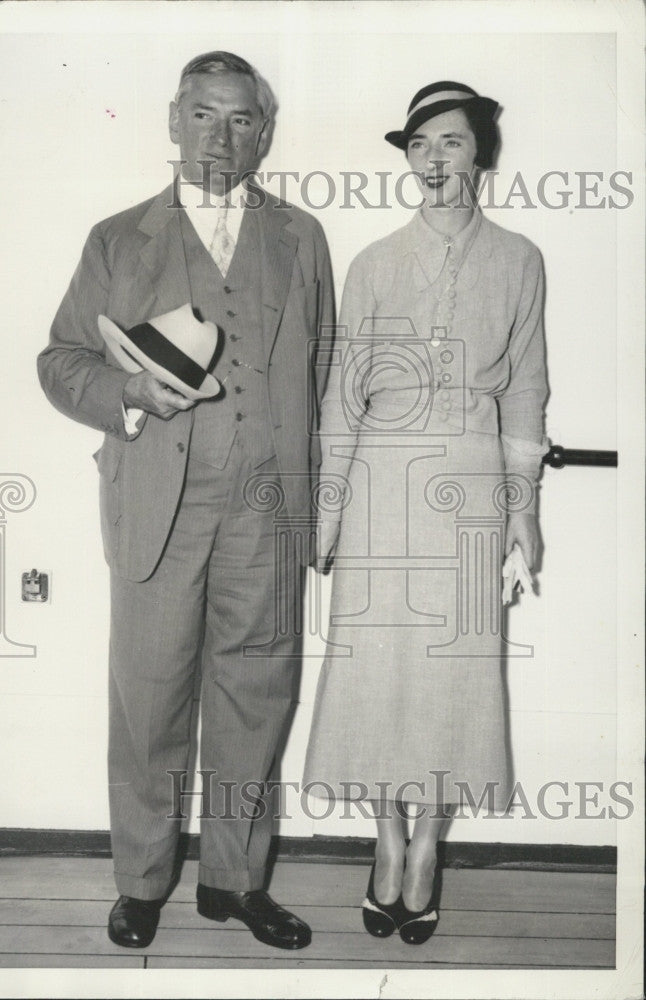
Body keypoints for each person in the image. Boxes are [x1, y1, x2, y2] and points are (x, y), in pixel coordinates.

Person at [38, 51, 334, 951]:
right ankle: (142, 880)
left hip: (267, 508)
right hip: (157, 502)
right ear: (172, 121)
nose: (222, 134)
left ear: (264, 132)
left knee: (258, 694)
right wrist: (129, 395)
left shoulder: (302, 237)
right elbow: (61, 361)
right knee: (150, 699)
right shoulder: (117, 238)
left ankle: (237, 883)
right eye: (204, 114)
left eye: (242, 119)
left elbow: (321, 373)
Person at [304, 82, 548, 945]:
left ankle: (428, 847)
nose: (434, 160)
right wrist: (327, 512)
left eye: (450, 142)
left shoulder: (519, 259)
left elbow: (525, 391)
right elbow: (339, 399)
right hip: (379, 483)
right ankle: (384, 838)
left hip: (473, 488)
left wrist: (524, 511)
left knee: (457, 677)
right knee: (373, 675)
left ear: (479, 152)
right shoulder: (372, 261)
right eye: (419, 146)